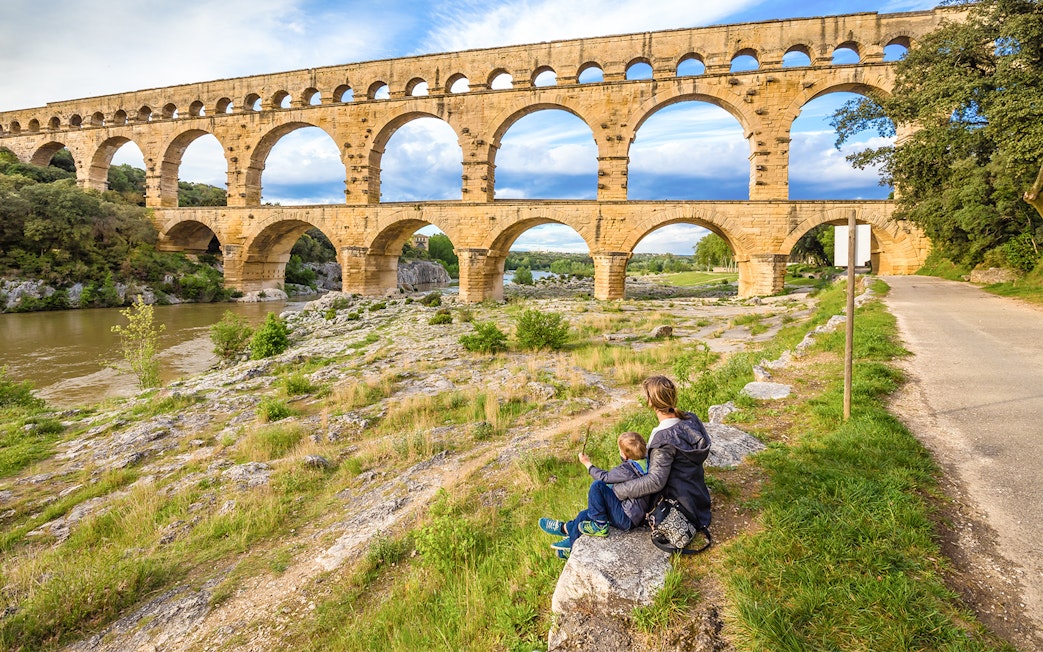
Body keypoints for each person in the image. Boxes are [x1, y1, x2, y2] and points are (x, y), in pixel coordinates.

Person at [611, 375, 712, 547]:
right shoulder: (691, 419)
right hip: (697, 498)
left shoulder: (663, 440)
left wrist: (619, 490)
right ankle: (570, 530)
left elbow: (655, 482)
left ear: (651, 402)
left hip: (679, 507)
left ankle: (572, 531)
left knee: (605, 493)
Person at [538, 431, 652, 559]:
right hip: (631, 513)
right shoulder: (646, 463)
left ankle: (599, 525)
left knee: (597, 486)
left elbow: (604, 477)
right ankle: (569, 538)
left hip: (627, 517)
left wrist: (587, 463)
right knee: (583, 515)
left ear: (625, 456)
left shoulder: (628, 469)